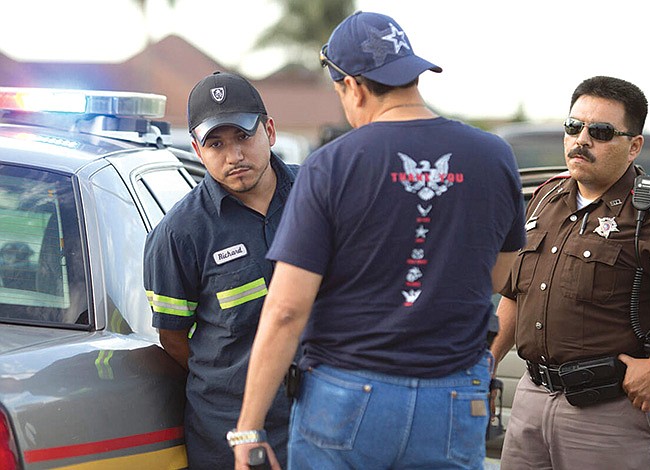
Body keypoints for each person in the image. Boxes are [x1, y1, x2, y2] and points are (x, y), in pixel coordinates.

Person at [230, 11, 527, 470]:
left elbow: (287, 309)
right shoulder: (493, 155)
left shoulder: (332, 165)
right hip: (453, 393)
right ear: (411, 72)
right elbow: (498, 273)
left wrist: (249, 427)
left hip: (347, 397)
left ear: (354, 85)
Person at [491, 76, 650, 470]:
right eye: (574, 127)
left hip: (610, 411)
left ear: (633, 146)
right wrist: (488, 359)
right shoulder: (546, 197)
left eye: (601, 131)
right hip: (530, 398)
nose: (582, 139)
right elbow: (515, 294)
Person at [143, 71, 297, 469]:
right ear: (196, 148)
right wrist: (232, 381)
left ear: (270, 130)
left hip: (323, 419)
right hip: (229, 435)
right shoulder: (180, 234)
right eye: (216, 143)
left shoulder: (317, 196)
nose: (234, 156)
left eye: (244, 136)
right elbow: (173, 338)